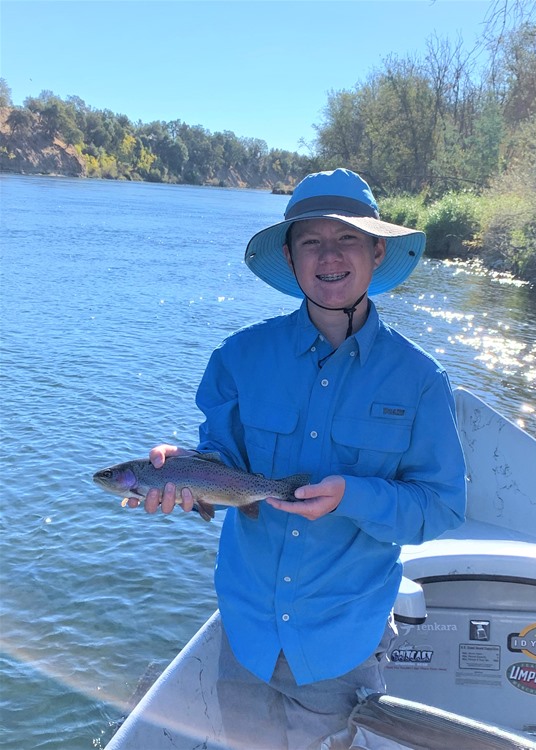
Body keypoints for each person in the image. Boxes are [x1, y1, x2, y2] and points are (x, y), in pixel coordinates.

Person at [128, 168, 466, 749]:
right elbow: (222, 460)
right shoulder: (238, 357)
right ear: (289, 256)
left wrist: (352, 496)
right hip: (246, 635)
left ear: (377, 251)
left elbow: (440, 509)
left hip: (342, 645)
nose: (329, 256)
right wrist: (184, 471)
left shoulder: (421, 381)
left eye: (348, 238)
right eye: (312, 241)